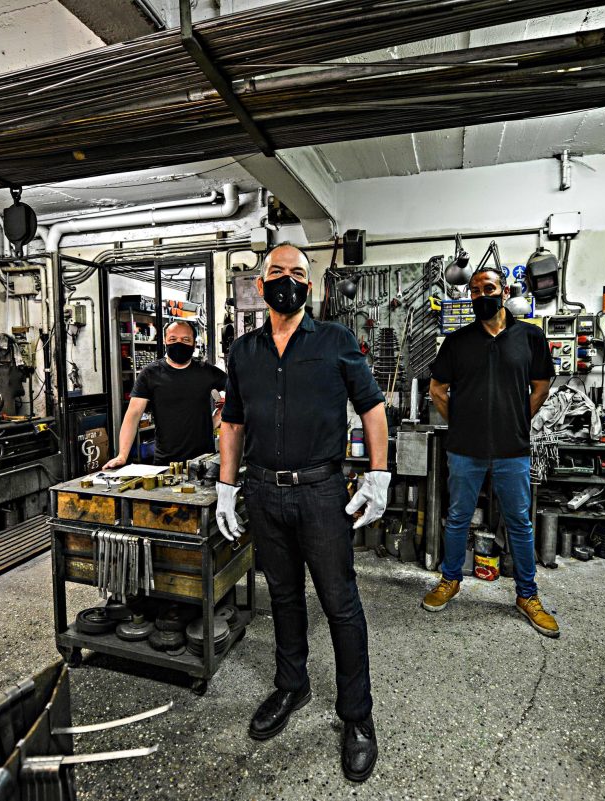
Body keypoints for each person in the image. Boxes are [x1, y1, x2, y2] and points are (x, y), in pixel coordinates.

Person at [215, 243, 390, 783]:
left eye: (296, 273)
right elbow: (233, 422)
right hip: (264, 492)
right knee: (284, 597)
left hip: (320, 493)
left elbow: (372, 407)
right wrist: (226, 486)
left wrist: (379, 473)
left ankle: (356, 716)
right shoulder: (243, 351)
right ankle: (292, 685)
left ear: (309, 287)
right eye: (276, 271)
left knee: (340, 603)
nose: (286, 280)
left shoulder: (335, 340)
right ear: (260, 283)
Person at [423, 264, 560, 638]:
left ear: (504, 291)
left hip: (511, 449)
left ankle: (527, 595)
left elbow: (541, 386)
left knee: (519, 521)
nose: (482, 295)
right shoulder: (457, 341)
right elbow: (437, 389)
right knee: (458, 517)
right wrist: (461, 423)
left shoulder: (530, 337)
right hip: (464, 449)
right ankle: (450, 580)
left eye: (489, 288)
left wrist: (516, 420)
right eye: (476, 290)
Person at [103, 319, 226, 468]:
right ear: (165, 342)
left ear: (194, 343)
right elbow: (133, 414)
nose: (179, 344)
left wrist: (221, 415)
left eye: (185, 339)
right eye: (173, 339)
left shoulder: (207, 372)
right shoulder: (150, 374)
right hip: (166, 463)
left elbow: (239, 391)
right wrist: (122, 455)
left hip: (204, 461)